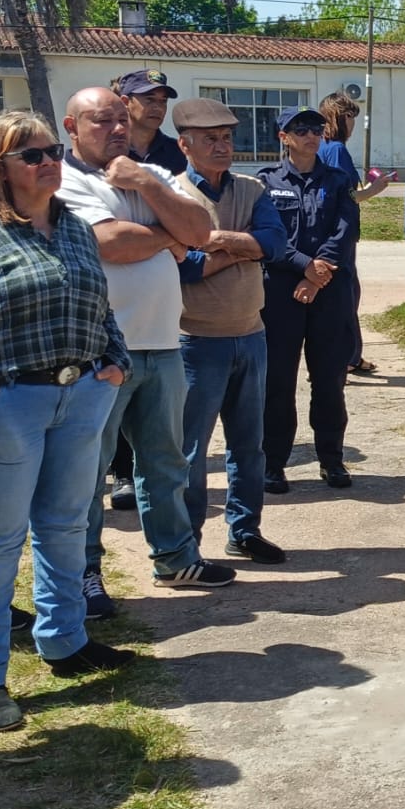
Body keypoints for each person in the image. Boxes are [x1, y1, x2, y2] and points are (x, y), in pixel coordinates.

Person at [0, 112, 134, 733]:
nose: (46, 162)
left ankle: (63, 641)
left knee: (65, 526)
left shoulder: (74, 228)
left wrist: (111, 358)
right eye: (30, 154)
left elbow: (96, 303)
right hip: (4, 407)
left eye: (52, 151)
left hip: (80, 397)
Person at [57, 88, 232, 607]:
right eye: (99, 120)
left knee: (164, 463)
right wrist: (167, 234)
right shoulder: (64, 181)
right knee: (87, 473)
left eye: (119, 119)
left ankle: (175, 560)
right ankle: (84, 572)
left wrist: (143, 188)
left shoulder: (147, 174)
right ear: (71, 127)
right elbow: (110, 242)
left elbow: (201, 230)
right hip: (100, 353)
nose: (114, 129)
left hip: (162, 342)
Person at [174, 98, 290, 564]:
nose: (223, 147)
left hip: (251, 333)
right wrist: (245, 247)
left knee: (249, 444)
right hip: (196, 341)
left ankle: (244, 529)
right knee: (191, 451)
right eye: (210, 140)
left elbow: (275, 244)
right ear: (184, 144)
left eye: (227, 138)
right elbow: (186, 267)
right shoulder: (174, 196)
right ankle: (186, 543)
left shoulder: (251, 189)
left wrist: (214, 240)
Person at [257, 106, 360, 493]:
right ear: (283, 137)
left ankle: (331, 459)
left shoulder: (337, 180)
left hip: (329, 291)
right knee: (278, 381)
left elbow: (346, 229)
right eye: (300, 129)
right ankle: (273, 462)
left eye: (315, 128)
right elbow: (268, 237)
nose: (311, 135)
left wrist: (317, 277)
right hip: (281, 292)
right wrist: (304, 267)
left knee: (330, 379)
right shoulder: (266, 182)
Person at [316, 90, 392, 376]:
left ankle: (349, 354)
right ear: (338, 118)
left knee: (342, 294)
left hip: (327, 233)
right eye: (351, 117)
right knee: (345, 296)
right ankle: (343, 357)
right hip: (340, 234)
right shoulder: (335, 150)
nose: (353, 124)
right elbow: (346, 196)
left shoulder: (321, 148)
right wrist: (375, 189)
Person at [113, 69, 187, 175]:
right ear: (125, 102)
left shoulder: (178, 152)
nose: (158, 108)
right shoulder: (109, 148)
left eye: (163, 101)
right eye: (150, 99)